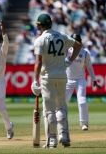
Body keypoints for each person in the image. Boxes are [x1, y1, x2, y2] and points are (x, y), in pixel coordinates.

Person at [31, 13, 82, 148]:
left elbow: (38, 62)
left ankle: (52, 140)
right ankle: (64, 136)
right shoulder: (61, 35)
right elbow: (78, 45)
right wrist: (69, 61)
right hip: (62, 75)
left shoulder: (40, 40)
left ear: (40, 26)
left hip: (48, 77)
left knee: (49, 110)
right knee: (61, 106)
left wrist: (35, 80)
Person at [65, 34, 101, 131]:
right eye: (74, 41)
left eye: (77, 41)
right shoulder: (66, 51)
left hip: (80, 80)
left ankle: (84, 123)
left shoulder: (85, 53)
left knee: (82, 101)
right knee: (63, 102)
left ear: (80, 42)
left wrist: (94, 80)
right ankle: (61, 122)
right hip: (68, 80)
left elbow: (89, 67)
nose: (76, 43)